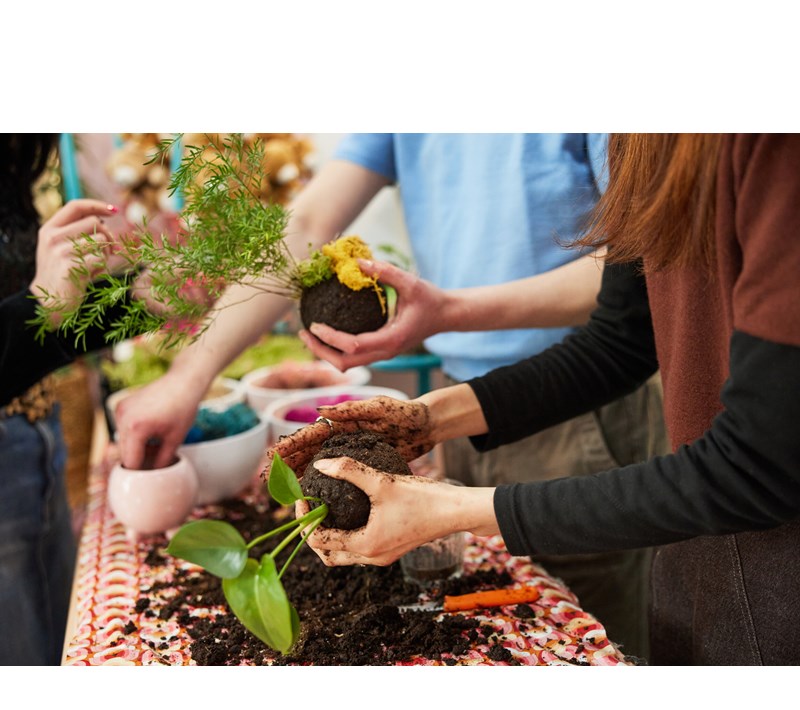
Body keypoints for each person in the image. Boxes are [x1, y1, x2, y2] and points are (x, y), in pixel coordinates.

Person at [117, 134, 668, 659]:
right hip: (467, 402)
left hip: (584, 408)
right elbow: (307, 221)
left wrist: (449, 310)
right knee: (479, 623)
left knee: (582, 634)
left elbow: (639, 276)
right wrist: (186, 379)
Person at [269, 133, 800, 667]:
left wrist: (459, 510)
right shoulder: (644, 140)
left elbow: (757, 466)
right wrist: (426, 420)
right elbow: (619, 341)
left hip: (777, 575)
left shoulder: (774, 150)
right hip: (700, 545)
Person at [0, 133, 182, 665]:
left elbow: (36, 332)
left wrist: (139, 300)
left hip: (35, 438)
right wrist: (38, 304)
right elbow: (33, 311)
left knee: (64, 638)